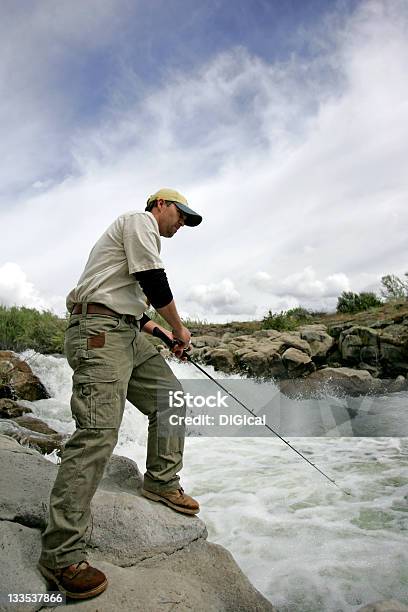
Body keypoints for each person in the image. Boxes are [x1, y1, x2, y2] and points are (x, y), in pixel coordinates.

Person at [38, 188, 202, 600]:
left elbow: (133, 308)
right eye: (181, 215)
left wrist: (164, 336)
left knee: (171, 398)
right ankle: (60, 553)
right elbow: (153, 281)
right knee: (98, 433)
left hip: (125, 331)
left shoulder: (137, 242)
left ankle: (161, 482)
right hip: (98, 333)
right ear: (161, 205)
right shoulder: (139, 221)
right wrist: (181, 330)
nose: (182, 224)